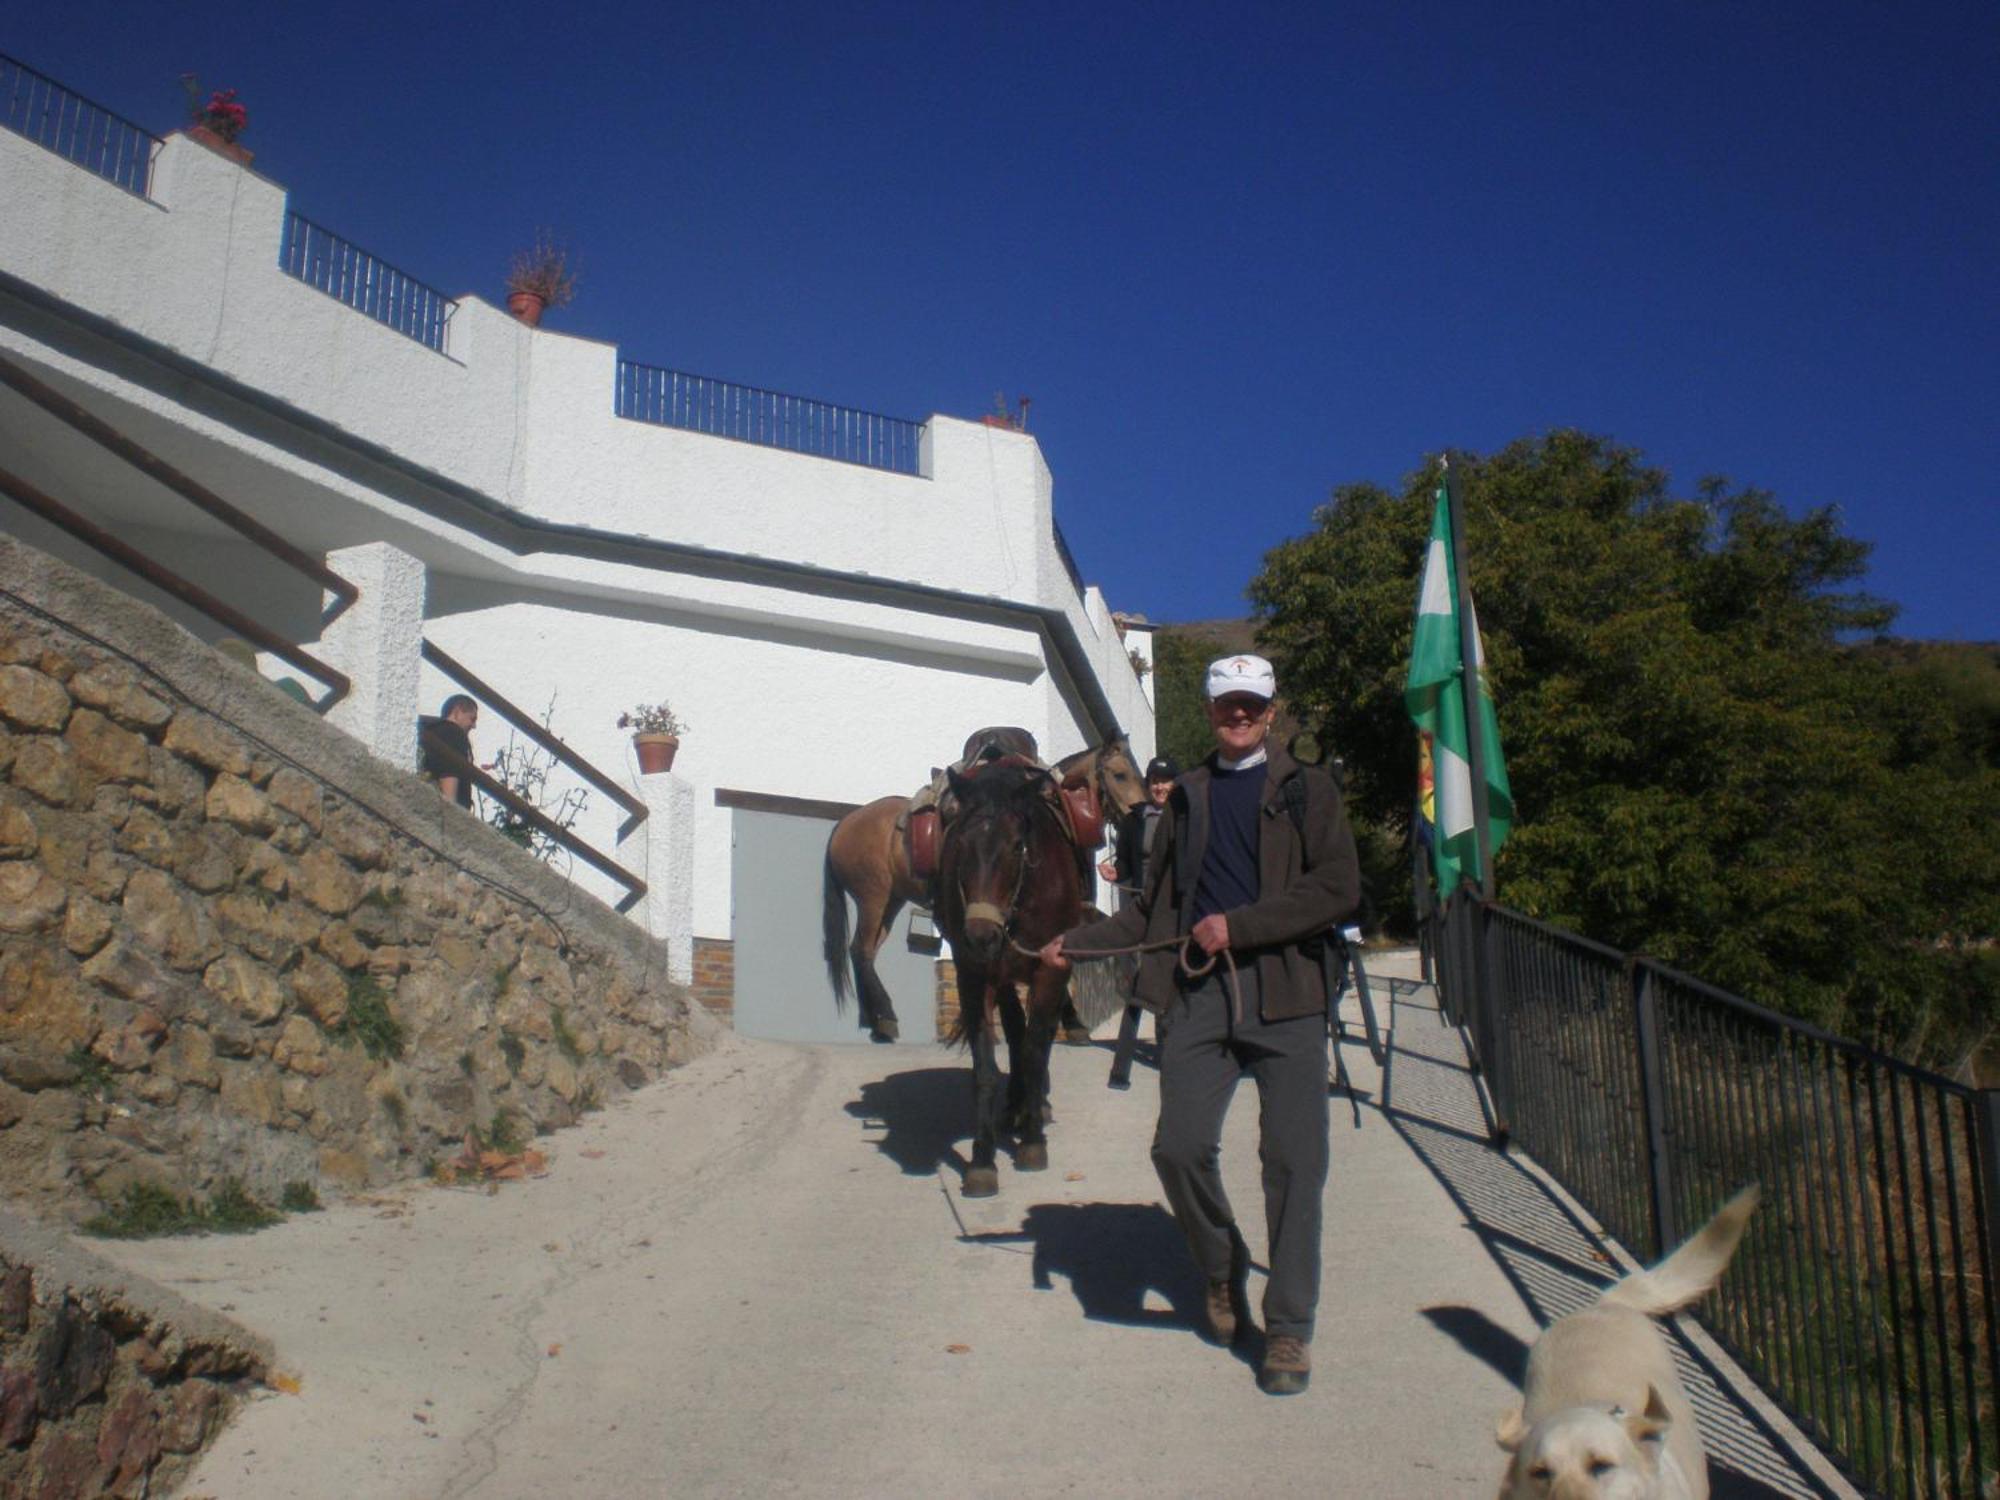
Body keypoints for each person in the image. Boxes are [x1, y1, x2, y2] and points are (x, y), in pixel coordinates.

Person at [1040, 654, 1359, 1395]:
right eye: (1226, 705)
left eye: (1251, 704)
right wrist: (1078, 943)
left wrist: (1239, 927)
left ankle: (1287, 1330)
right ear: (1211, 712)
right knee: (1178, 1148)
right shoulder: (1184, 797)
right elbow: (1154, 910)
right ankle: (1221, 1270)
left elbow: (1338, 887)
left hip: (1289, 994)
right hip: (1199, 996)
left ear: (1272, 711)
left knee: (1294, 1163)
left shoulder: (1307, 790)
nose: (1238, 715)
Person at [419, 694, 479, 807]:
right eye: (472, 719)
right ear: (457, 712)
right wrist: (452, 812)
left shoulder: (431, 733)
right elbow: (449, 772)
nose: (474, 725)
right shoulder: (454, 732)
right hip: (447, 813)